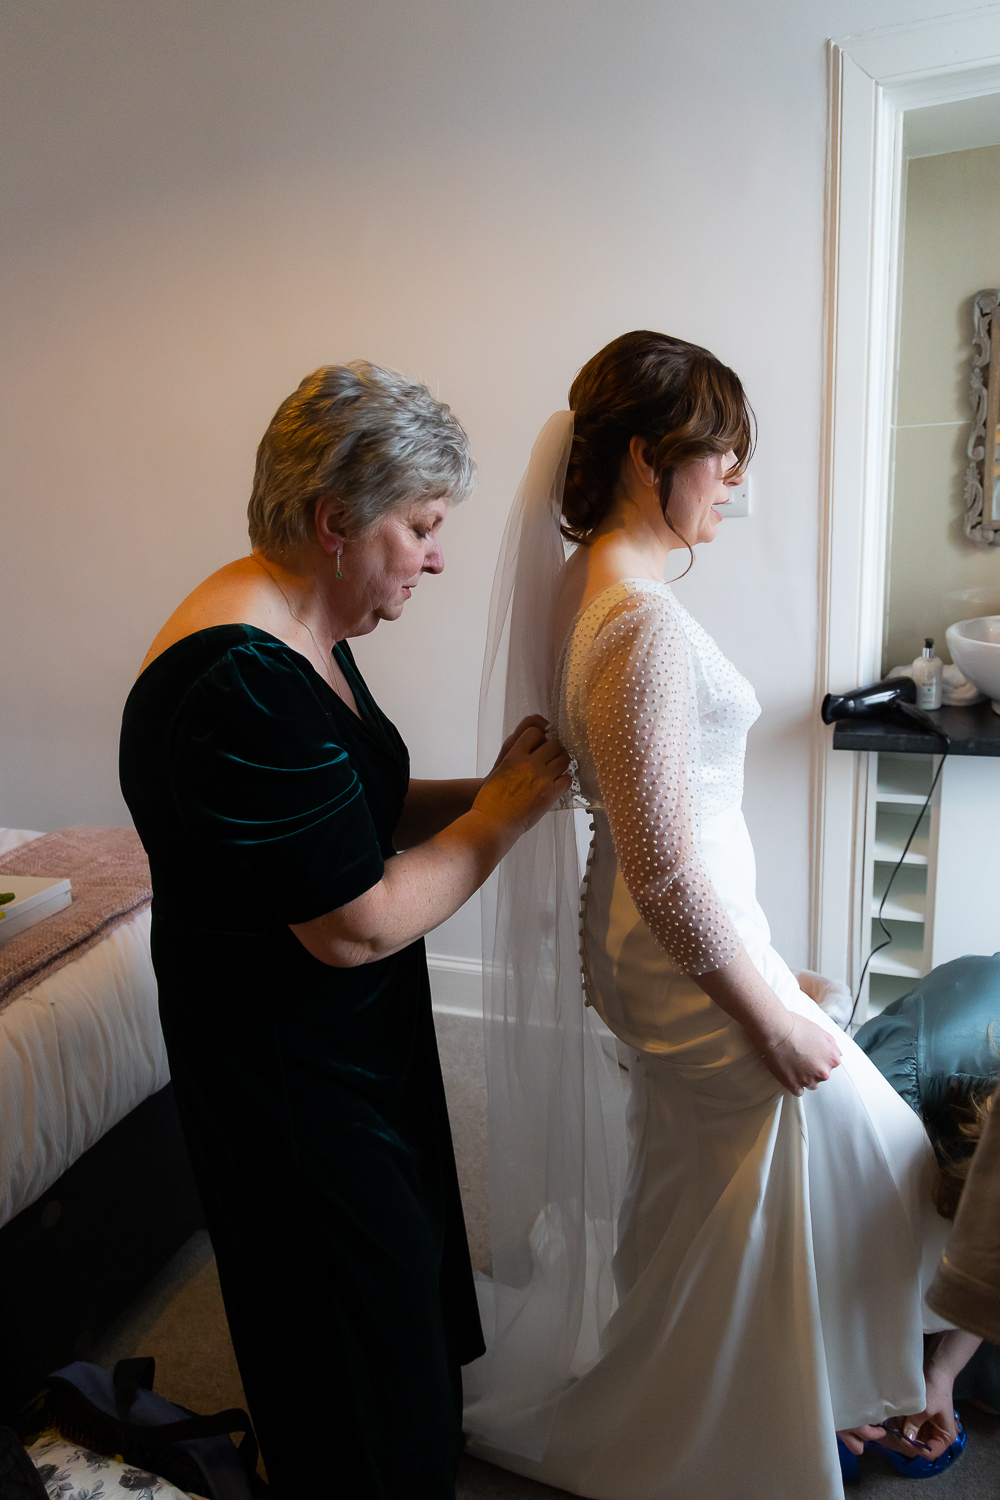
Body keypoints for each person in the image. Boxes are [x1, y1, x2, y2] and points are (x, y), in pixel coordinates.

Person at [463, 332, 953, 1499]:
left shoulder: (597, 588)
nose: (734, 478)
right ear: (648, 457)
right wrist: (767, 1011)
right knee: (866, 1154)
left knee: (712, 1186)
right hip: (679, 952)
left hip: (685, 945)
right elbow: (665, 867)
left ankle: (775, 1397)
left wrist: (772, 968)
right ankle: (726, 1425)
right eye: (721, 454)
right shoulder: (637, 622)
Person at [118, 362, 570, 1499]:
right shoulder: (238, 681)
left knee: (394, 1292)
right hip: (286, 1066)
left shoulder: (303, 623)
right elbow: (355, 925)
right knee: (349, 1318)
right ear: (335, 522)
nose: (435, 556)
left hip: (342, 1042)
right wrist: (502, 821)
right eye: (420, 527)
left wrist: (492, 789)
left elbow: (349, 810)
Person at [854, 954, 1000, 1428]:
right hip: (920, 1086)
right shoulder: (903, 1085)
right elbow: (823, 1233)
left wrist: (942, 1372)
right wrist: (843, 1381)